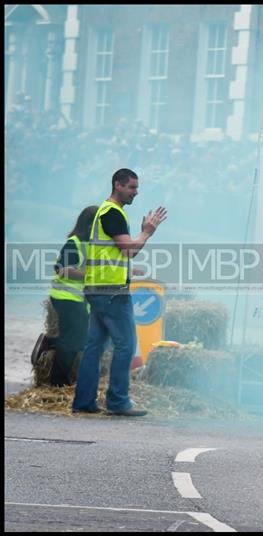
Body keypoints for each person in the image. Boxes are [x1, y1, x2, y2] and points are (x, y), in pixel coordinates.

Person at [72, 168, 167, 416]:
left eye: (136, 187)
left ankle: (83, 402)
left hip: (97, 288)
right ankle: (117, 402)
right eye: (132, 187)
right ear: (118, 185)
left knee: (94, 347)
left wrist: (127, 269)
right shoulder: (113, 213)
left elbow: (112, 253)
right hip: (112, 293)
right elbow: (129, 249)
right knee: (126, 345)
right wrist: (147, 231)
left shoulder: (104, 211)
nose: (136, 192)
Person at [48, 205, 99, 386]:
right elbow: (62, 270)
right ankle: (57, 384)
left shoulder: (92, 245)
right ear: (90, 224)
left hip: (77, 299)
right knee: (71, 341)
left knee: (80, 339)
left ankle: (50, 346)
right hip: (66, 298)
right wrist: (92, 276)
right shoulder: (74, 242)